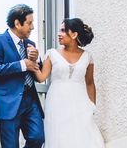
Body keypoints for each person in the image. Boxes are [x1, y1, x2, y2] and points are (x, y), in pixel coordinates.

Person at [33, 17, 105, 147]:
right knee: (59, 138)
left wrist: (92, 106)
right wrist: (32, 62)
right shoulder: (52, 54)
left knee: (83, 137)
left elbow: (90, 83)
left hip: (81, 103)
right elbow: (41, 77)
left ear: (74, 34)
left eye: (63, 30)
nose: (59, 34)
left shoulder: (88, 57)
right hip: (56, 102)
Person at [0, 4, 45, 148]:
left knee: (38, 137)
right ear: (17, 24)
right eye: (29, 23)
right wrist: (22, 65)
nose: (32, 27)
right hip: (8, 102)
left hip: (30, 101)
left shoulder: (30, 44)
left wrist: (37, 59)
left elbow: (39, 73)